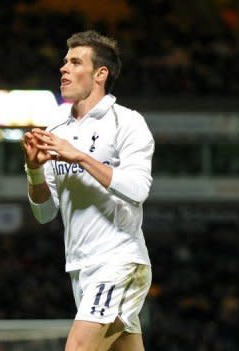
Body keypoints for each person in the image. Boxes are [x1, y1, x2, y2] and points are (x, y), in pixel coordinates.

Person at [20, 30, 154, 351]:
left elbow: (137, 189)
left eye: (75, 62)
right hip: (80, 266)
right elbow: (44, 213)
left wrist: (79, 156)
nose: (64, 68)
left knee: (78, 348)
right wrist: (34, 170)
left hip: (119, 260)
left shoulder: (126, 123)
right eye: (65, 61)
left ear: (100, 74)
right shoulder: (55, 129)